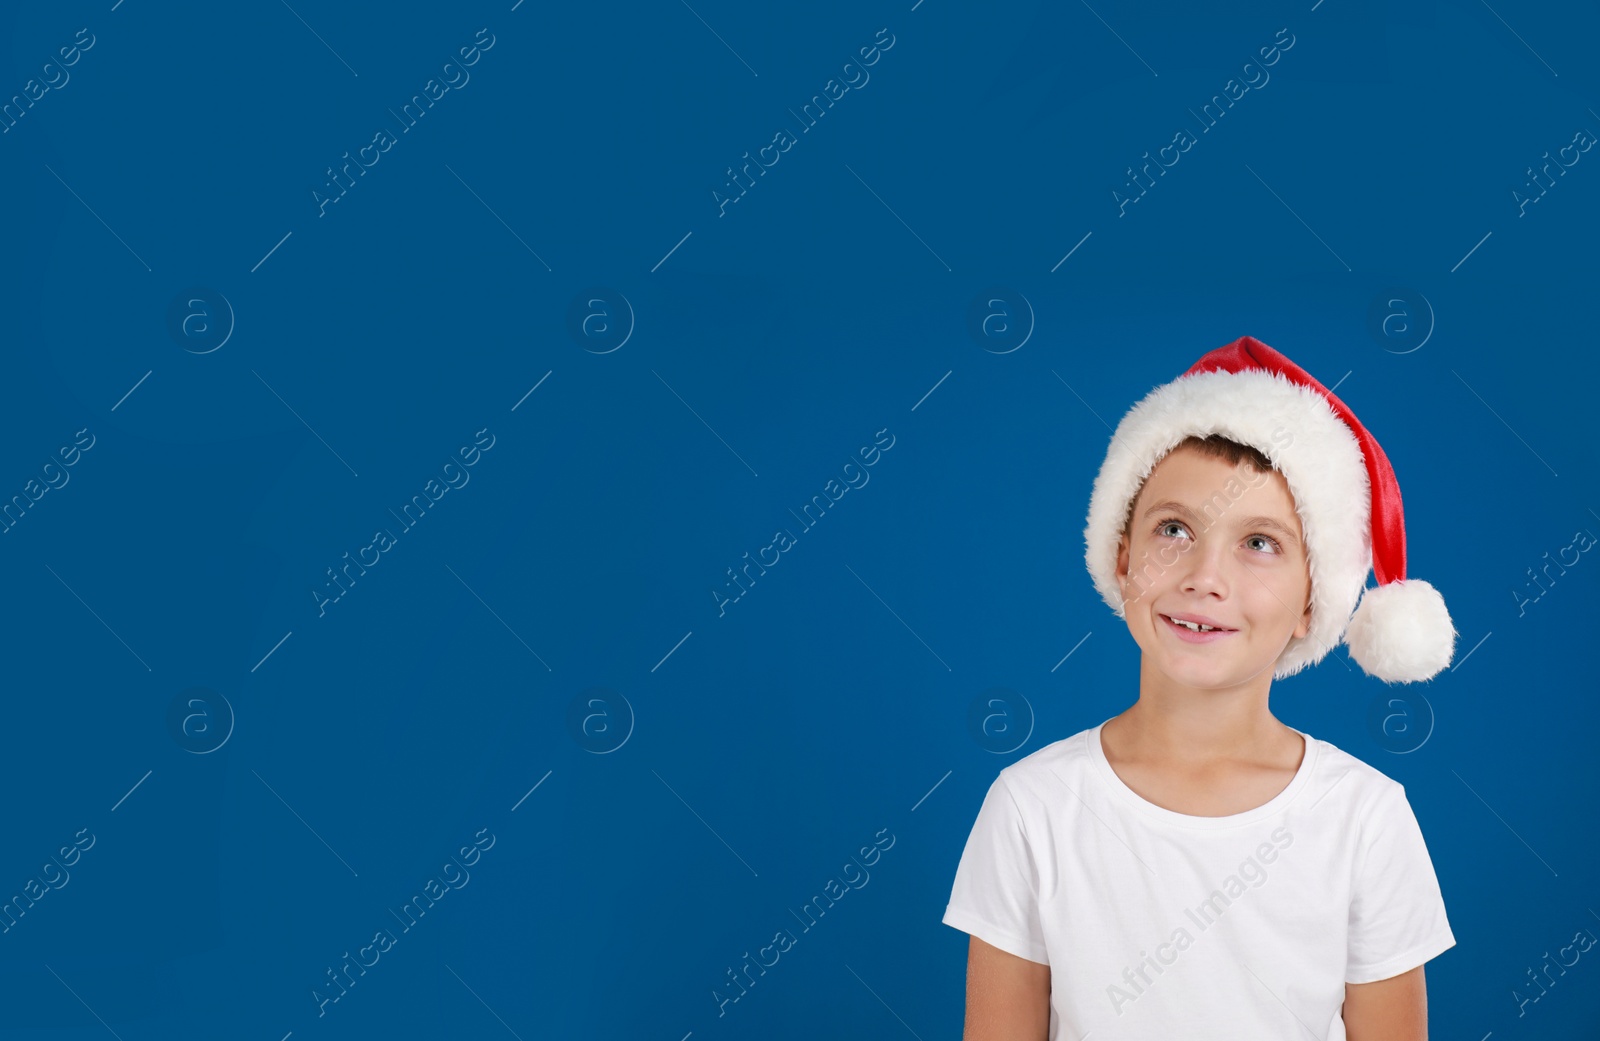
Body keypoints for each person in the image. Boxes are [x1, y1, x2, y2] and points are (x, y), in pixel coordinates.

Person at [941, 336, 1458, 1040]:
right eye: (1175, 528)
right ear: (1122, 559)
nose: (1204, 577)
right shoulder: (1032, 809)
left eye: (1260, 543)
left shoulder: (1364, 817)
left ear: (1316, 600)